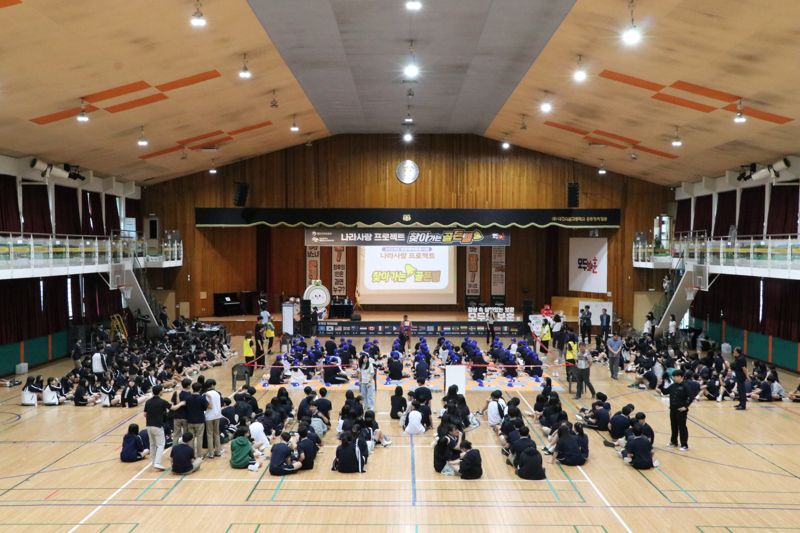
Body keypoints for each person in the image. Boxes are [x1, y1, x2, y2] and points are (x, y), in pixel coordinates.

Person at [144, 385, 173, 470]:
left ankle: (153, 462)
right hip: (158, 426)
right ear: (160, 392)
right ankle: (157, 463)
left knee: (152, 444)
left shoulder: (148, 401)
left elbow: (145, 414)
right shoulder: (162, 402)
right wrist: (181, 404)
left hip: (149, 426)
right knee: (161, 444)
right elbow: (173, 407)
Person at [667, 369, 692, 451]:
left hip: (681, 411)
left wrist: (685, 406)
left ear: (680, 377)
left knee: (682, 427)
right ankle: (674, 442)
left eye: (674, 377)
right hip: (672, 409)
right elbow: (665, 391)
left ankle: (684, 444)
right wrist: (659, 386)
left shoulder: (686, 386)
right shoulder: (673, 385)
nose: (673, 378)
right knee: (673, 426)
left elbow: (690, 397)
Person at [204, 379, 224, 458]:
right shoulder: (217, 393)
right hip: (217, 415)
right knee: (216, 434)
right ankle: (218, 451)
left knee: (209, 435)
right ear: (212, 385)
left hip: (209, 416)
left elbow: (206, 405)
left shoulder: (206, 394)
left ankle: (211, 453)